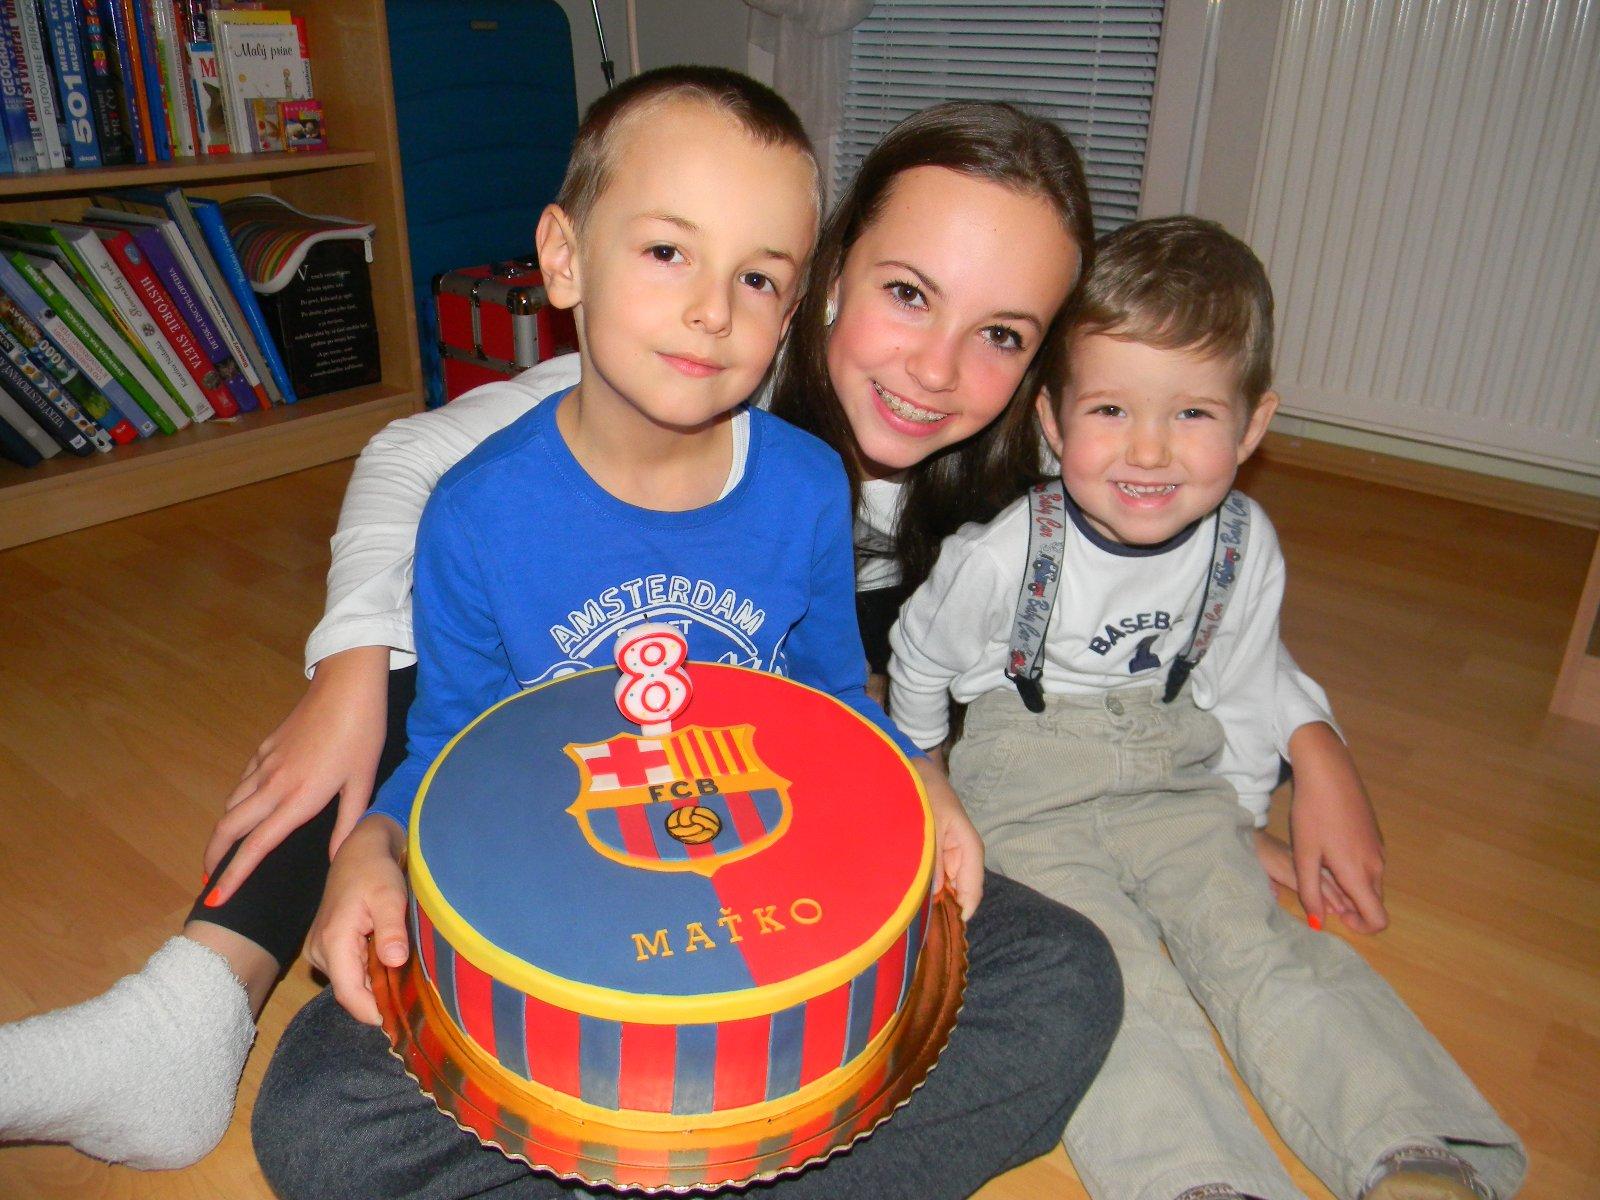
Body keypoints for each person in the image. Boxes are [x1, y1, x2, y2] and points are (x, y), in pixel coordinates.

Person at [239, 72, 1123, 1200]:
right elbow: (451, 743)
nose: (714, 310)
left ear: (792, 305)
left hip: (782, 907)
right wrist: (376, 840)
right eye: (668, 252)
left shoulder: (806, 482)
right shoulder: (473, 512)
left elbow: (834, 693)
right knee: (319, 1114)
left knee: (1064, 976)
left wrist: (914, 775)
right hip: (570, 929)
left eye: (757, 278)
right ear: (564, 260)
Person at [887, 215, 1526, 1200]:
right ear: (1053, 422)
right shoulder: (1003, 555)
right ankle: (1196, 1180)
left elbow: (1240, 682)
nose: (1148, 450)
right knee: (1118, 984)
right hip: (1026, 790)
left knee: (1255, 947)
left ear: (1252, 426)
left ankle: (1408, 1142)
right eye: (1110, 410)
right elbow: (919, 657)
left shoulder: (1242, 543)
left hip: (1174, 775)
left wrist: (1238, 821)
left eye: (1191, 413)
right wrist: (929, 776)